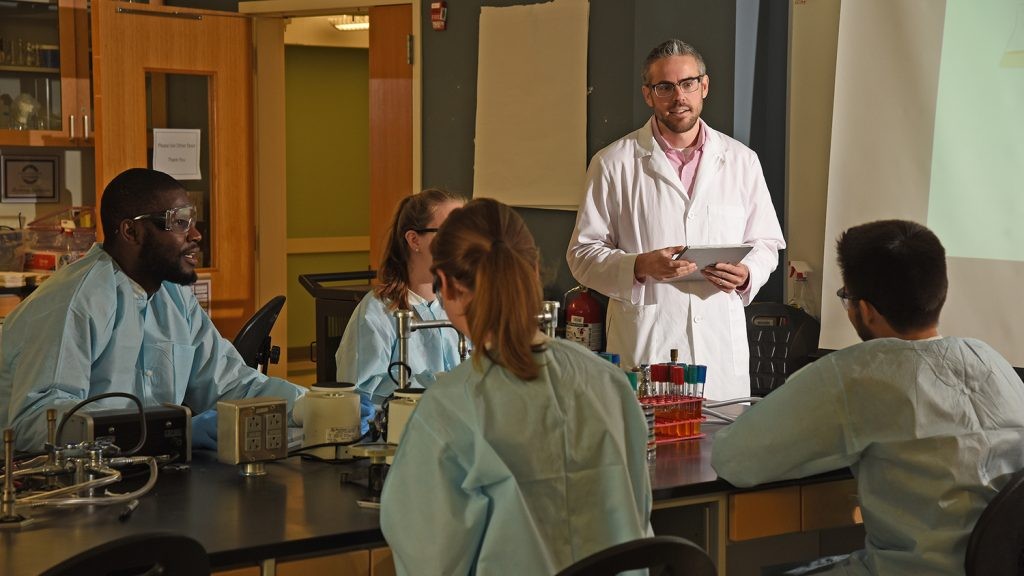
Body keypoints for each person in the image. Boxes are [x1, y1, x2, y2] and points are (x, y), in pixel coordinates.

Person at [712, 219, 1024, 575]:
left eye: (846, 297)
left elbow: (734, 458)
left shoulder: (860, 372)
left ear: (868, 310)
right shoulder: (991, 360)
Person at [380, 198, 651, 575]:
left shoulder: (451, 407)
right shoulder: (609, 383)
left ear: (446, 287)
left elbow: (427, 556)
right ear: (535, 269)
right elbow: (638, 511)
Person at [0, 168, 306, 452]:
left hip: (140, 472)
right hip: (50, 487)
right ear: (132, 232)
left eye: (192, 222)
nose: (196, 235)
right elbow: (36, 422)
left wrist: (313, 406)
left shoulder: (174, 295)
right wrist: (161, 432)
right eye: (179, 223)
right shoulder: (76, 302)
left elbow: (230, 383)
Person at [567, 39, 785, 400]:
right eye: (664, 87)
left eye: (687, 84)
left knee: (721, 447)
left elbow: (767, 243)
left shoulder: (741, 160)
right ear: (648, 95)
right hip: (649, 341)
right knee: (648, 450)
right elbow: (582, 254)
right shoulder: (613, 163)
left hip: (718, 345)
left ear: (704, 87)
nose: (678, 96)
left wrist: (748, 274)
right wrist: (638, 266)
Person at [335, 188, 465, 433]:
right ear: (414, 240)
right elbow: (361, 399)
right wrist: (434, 385)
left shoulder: (460, 305)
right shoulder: (376, 312)